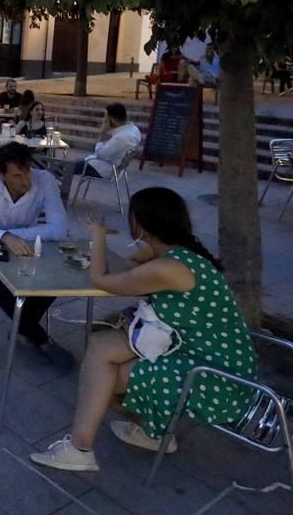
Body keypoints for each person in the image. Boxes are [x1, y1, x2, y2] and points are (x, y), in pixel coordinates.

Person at [30, 188, 257, 472]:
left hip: (216, 376)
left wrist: (98, 235)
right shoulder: (185, 252)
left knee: (101, 380)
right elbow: (133, 265)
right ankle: (153, 434)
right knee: (100, 348)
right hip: (205, 352)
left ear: (141, 224)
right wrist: (149, 244)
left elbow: (102, 280)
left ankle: (81, 449)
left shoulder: (168, 267)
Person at [0, 141, 71, 362]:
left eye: (27, 171)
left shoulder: (45, 181)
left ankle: (22, 330)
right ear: (1, 175)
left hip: (25, 246)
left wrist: (16, 237)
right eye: (17, 176)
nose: (26, 181)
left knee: (58, 277)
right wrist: (3, 238)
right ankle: (39, 337)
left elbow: (60, 229)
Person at [52, 103, 142, 202]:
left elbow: (100, 154)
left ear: (111, 119)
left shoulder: (121, 138)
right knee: (66, 165)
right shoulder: (134, 130)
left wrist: (102, 134)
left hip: (103, 168)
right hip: (110, 166)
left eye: (105, 118)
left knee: (64, 167)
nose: (104, 120)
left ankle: (53, 194)